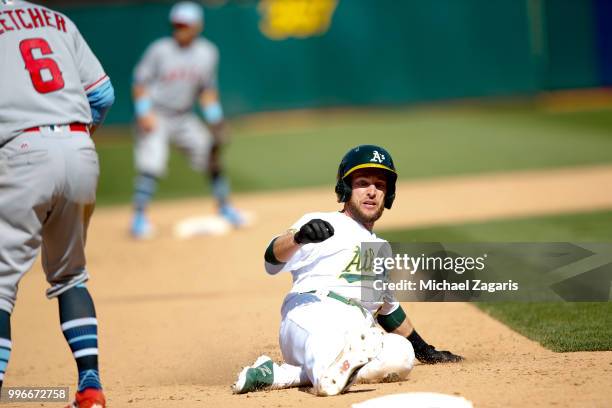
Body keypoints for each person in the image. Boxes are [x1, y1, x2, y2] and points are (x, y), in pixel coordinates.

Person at [233, 145, 463, 396]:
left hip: (358, 330)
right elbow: (271, 260)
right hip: (313, 313)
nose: (372, 192)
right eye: (363, 183)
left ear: (389, 194)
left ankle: (278, 374)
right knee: (328, 354)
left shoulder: (378, 248)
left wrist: (424, 349)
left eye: (380, 185)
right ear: (345, 188)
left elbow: (388, 309)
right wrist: (299, 238)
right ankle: (324, 370)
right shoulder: (323, 222)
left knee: (401, 355)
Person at [0, 0, 114, 406]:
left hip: (20, 150)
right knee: (70, 277)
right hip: (79, 146)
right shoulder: (57, 19)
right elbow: (103, 93)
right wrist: (74, 141)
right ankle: (90, 388)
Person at [130, 1, 243, 238]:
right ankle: (139, 216)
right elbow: (140, 83)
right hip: (157, 114)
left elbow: (207, 90)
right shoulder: (160, 49)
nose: (180, 28)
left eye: (185, 24)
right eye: (177, 24)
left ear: (197, 26)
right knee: (151, 165)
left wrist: (215, 119)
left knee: (211, 155)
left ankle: (224, 206)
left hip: (184, 117)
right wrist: (144, 112)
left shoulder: (207, 52)